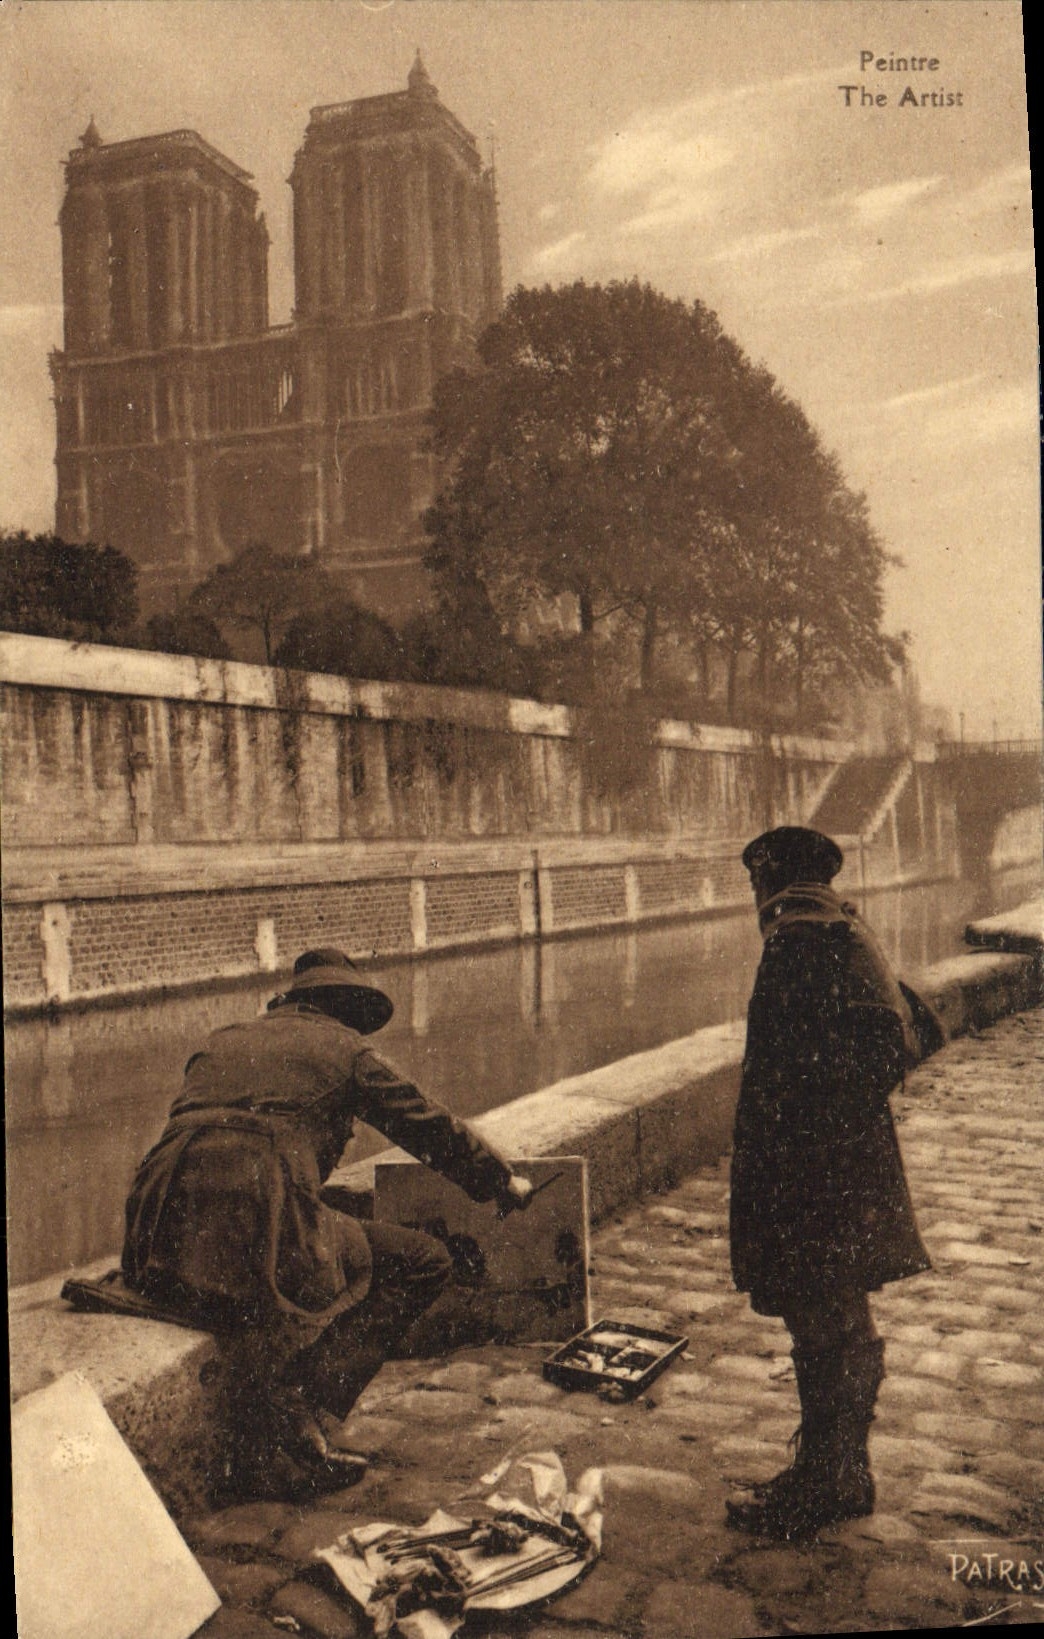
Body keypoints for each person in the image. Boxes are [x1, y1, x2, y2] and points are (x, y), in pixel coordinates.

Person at [121, 947, 533, 1500]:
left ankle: (288, 1406)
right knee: (422, 1261)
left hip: (156, 1229)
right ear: (343, 1010)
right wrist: (499, 1180)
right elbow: (427, 1125)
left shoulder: (223, 1038)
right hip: (258, 1218)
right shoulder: (346, 1050)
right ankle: (300, 1403)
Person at [726, 827, 935, 1540]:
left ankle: (823, 1481)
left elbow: (780, 1071)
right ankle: (845, 1469)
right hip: (853, 1159)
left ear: (769, 881)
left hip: (809, 1171)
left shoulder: (795, 938)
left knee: (818, 1314)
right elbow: (920, 1023)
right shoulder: (850, 927)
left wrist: (802, 1138)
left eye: (759, 884)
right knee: (845, 1311)